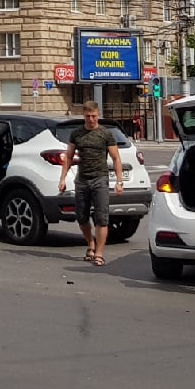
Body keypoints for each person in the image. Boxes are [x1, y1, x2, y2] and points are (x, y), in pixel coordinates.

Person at [58, 101, 124, 266]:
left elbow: (116, 158)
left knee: (102, 218)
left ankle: (99, 253)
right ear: (84, 115)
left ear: (98, 115)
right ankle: (90, 244)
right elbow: (69, 156)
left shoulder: (105, 134)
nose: (91, 119)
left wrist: (119, 181)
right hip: (82, 180)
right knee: (81, 217)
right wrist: (62, 178)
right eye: (88, 116)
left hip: (100, 179)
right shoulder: (77, 134)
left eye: (94, 116)